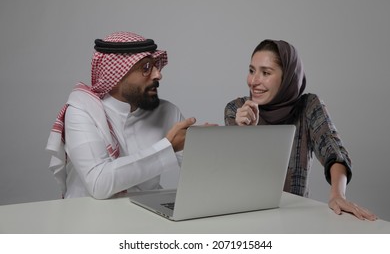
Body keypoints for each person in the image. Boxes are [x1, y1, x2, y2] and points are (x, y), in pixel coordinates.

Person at [224, 39, 377, 221]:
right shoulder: (237, 110)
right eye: (251, 71)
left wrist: (338, 195)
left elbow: (334, 152)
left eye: (265, 73)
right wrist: (247, 133)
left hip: (294, 218)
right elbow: (236, 176)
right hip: (246, 217)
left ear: (287, 77)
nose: (253, 81)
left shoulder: (308, 107)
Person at [46, 31, 196, 199]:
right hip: (89, 218)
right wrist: (168, 147)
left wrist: (209, 147)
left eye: (155, 66)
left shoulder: (168, 112)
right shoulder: (82, 111)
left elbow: (199, 177)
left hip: (149, 215)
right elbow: (99, 184)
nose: (158, 74)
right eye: (145, 68)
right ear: (116, 75)